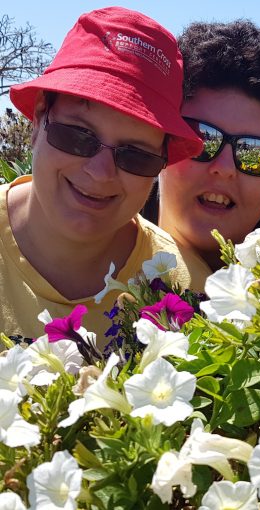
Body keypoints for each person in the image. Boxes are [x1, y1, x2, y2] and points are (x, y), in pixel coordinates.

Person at [1, 7, 212, 342]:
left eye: (136, 156)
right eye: (77, 136)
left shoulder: (187, 292)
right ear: (39, 120)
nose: (100, 173)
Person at [141, 20, 260, 271]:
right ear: (162, 141)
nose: (223, 168)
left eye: (254, 152)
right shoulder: (106, 224)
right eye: (202, 138)